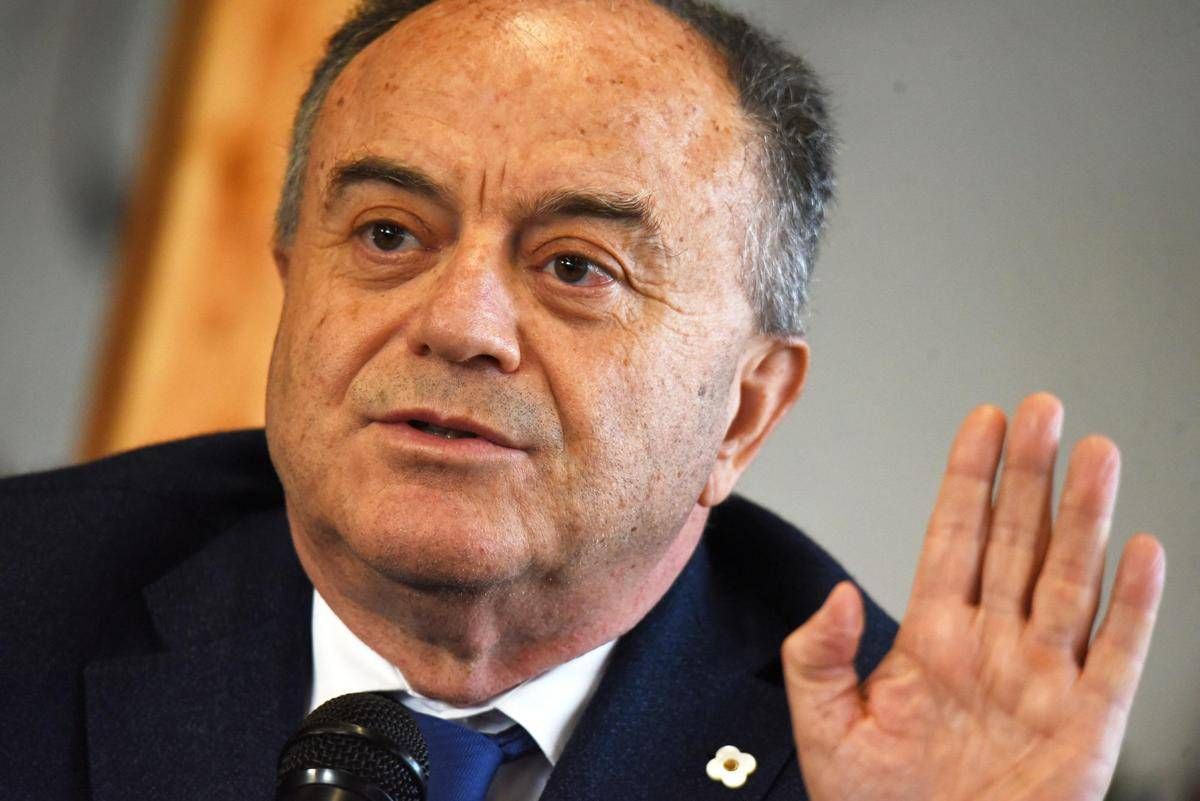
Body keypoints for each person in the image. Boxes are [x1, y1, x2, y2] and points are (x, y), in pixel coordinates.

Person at [0, 0, 1166, 799]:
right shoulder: (26, 602)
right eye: (390, 234)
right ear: (292, 286)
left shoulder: (883, 766)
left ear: (744, 412)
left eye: (575, 266)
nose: (459, 323)